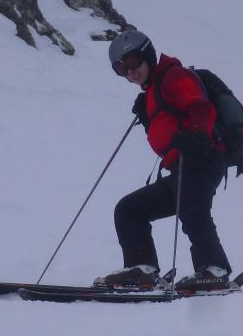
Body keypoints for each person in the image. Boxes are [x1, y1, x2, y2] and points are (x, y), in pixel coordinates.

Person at [98, 30, 232, 292]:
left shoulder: (174, 76)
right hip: (181, 167)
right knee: (129, 210)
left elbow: (200, 107)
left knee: (193, 209)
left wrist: (197, 138)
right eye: (121, 68)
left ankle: (215, 270)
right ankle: (142, 270)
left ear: (148, 55)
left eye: (134, 61)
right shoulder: (151, 94)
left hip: (202, 159)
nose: (130, 71)